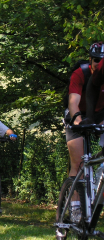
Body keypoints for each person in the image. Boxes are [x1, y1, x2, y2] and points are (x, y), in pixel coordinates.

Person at [65, 41, 104, 223]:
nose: (99, 64)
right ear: (90, 60)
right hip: (78, 115)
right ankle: (75, 210)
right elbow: (73, 103)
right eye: (96, 60)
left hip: (99, 115)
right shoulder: (81, 73)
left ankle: (98, 180)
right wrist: (79, 122)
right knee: (78, 162)